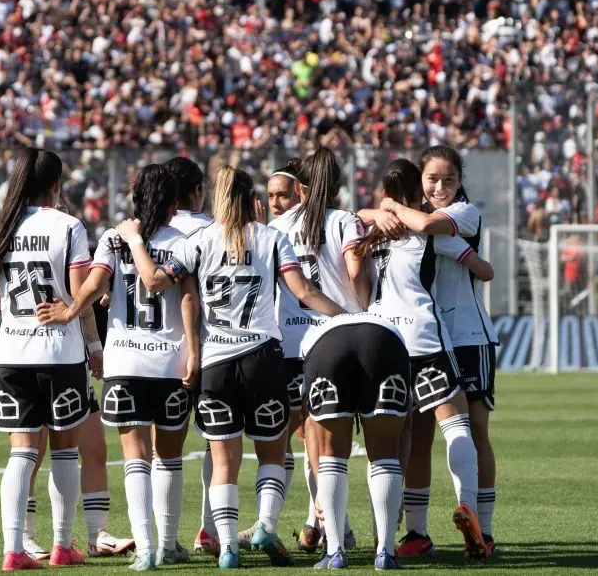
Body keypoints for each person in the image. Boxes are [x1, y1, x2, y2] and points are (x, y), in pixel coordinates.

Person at [117, 165, 348, 569]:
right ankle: (265, 524)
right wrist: (347, 318)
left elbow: (153, 281)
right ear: (251, 199)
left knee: (224, 460)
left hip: (216, 364)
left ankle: (227, 548)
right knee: (272, 452)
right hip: (262, 358)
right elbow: (304, 291)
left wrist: (136, 239)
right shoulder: (272, 238)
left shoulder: (199, 240)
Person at [36, 164, 201, 570]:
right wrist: (195, 351)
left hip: (124, 359)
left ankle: (145, 550)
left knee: (135, 458)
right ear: (175, 201)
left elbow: (94, 285)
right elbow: (188, 300)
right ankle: (166, 543)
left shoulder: (113, 236)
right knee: (170, 457)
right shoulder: (186, 239)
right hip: (169, 361)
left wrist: (70, 310)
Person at [0, 148, 99, 571]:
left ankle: (14, 549)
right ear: (57, 183)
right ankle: (61, 546)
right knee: (64, 452)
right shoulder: (70, 226)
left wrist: (17, 309)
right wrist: (77, 321)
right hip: (59, 351)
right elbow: (80, 291)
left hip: (13, 352)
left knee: (20, 454)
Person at [0, 297, 135, 564]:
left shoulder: (17, 256)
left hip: (64, 359)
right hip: (51, 359)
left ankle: (96, 534)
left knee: (94, 448)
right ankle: (29, 539)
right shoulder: (62, 254)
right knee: (36, 453)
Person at [354, 158, 494, 562]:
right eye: (431, 180)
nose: (440, 187)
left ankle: (390, 536)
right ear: (419, 189)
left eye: (448, 179)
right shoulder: (427, 232)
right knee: (457, 425)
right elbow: (484, 271)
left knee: (396, 439)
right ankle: (466, 505)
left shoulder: (368, 231)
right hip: (428, 337)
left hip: (382, 341)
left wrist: (379, 213)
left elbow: (349, 226)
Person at [265, 149, 370, 555]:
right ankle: (333, 524)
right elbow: (357, 274)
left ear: (300, 187)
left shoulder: (276, 228)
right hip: (337, 337)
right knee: (329, 439)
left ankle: (323, 523)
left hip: (290, 344)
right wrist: (361, 311)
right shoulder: (345, 221)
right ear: (339, 185)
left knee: (306, 436)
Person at [301, 312, 411, 570]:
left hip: (325, 344)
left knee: (332, 453)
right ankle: (385, 553)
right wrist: (398, 488)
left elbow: (309, 428)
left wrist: (320, 489)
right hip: (386, 341)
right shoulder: (385, 322)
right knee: (385, 452)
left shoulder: (315, 334)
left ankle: (335, 552)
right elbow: (407, 430)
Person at [163, 155, 221, 556]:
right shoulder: (214, 231)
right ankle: (210, 529)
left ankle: (160, 540)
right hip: (211, 349)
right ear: (199, 192)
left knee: (159, 452)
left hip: (158, 354)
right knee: (216, 442)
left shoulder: (151, 233)